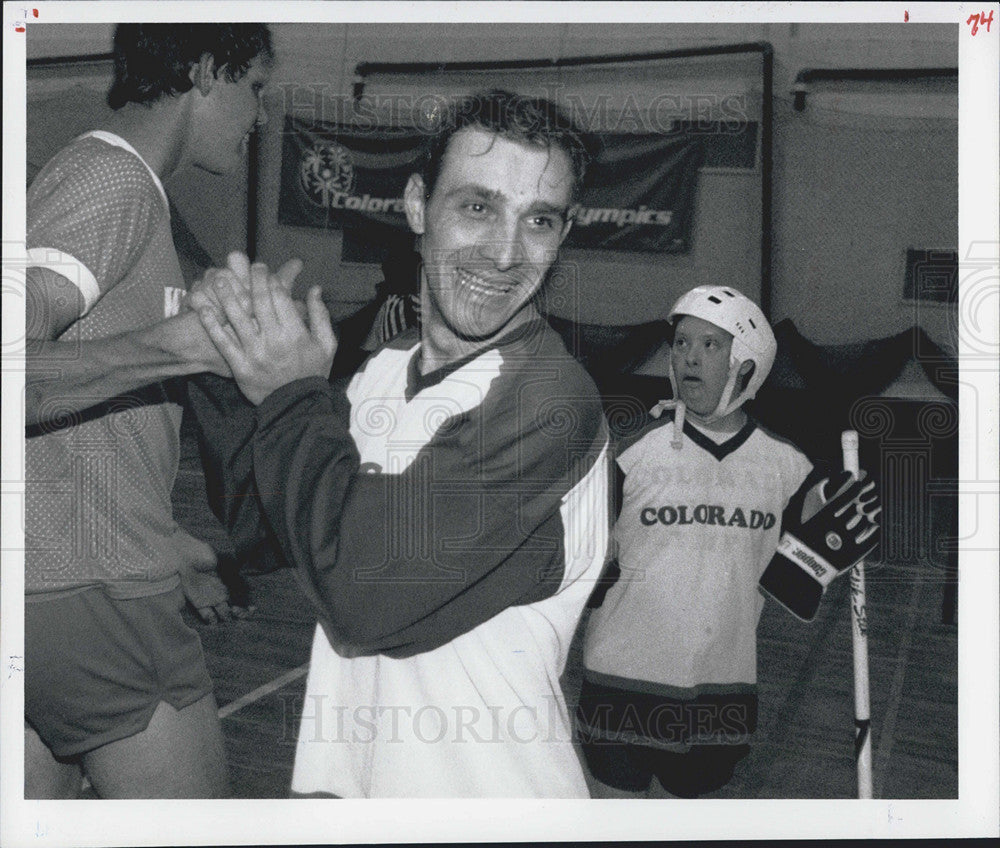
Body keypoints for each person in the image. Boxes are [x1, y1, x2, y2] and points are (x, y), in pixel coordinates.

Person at [193, 90, 611, 798]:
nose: (507, 252)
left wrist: (296, 397)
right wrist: (228, 365)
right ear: (417, 205)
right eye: (477, 207)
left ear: (564, 234)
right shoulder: (387, 368)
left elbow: (365, 596)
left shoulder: (550, 401)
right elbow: (265, 530)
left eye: (538, 220)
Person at [23, 23, 276, 798]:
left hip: (57, 591)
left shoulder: (115, 186)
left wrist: (168, 542)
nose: (260, 116)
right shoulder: (113, 181)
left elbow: (62, 439)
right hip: (98, 597)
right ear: (206, 70)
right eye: (256, 87)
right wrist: (181, 349)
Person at [576, 285, 881, 798]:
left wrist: (832, 531)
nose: (688, 357)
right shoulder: (629, 449)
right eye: (680, 343)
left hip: (721, 693)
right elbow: (574, 563)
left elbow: (795, 587)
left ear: (746, 365)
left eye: (710, 345)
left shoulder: (788, 466)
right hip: (618, 682)